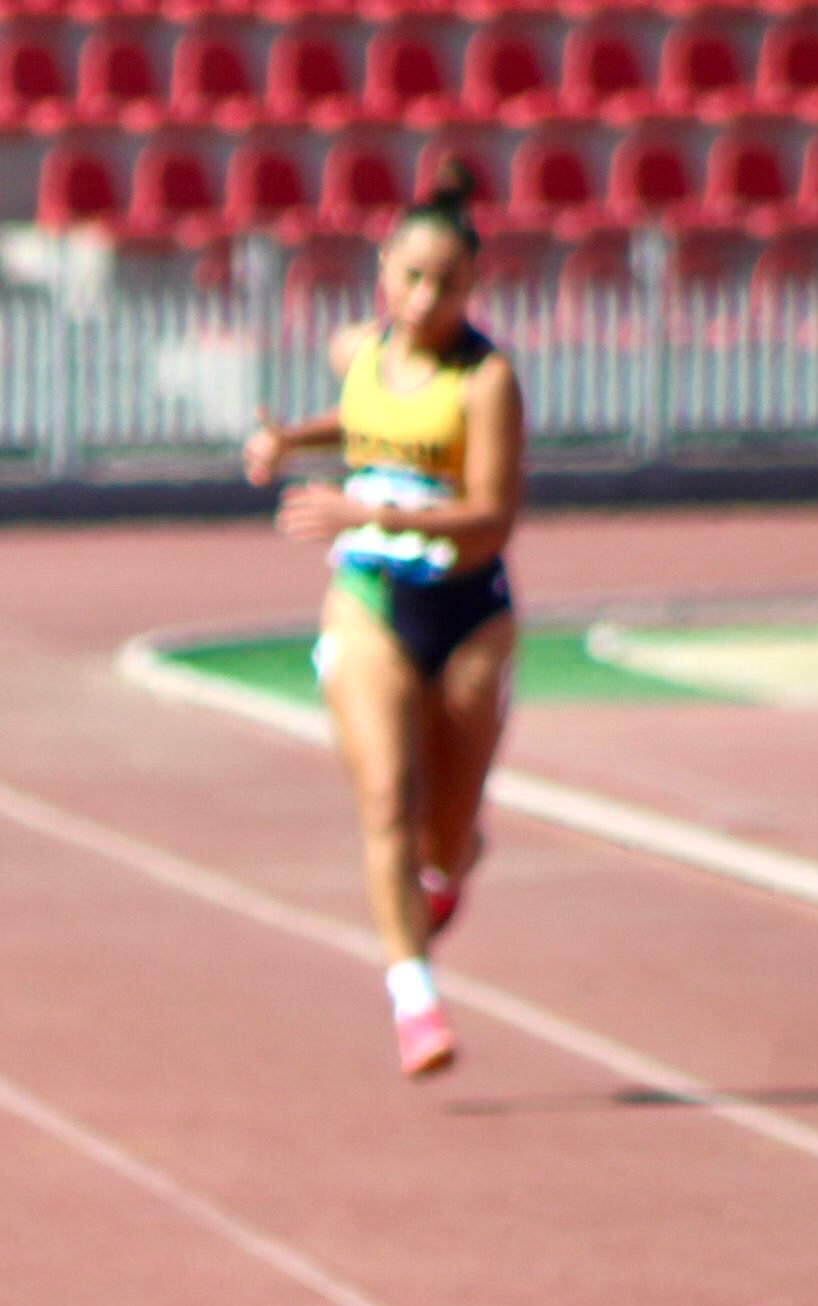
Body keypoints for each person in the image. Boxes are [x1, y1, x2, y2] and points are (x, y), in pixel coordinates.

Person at [243, 162, 524, 1078]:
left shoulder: (486, 383)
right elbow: (367, 421)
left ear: (473, 289)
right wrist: (292, 440)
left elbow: (491, 518)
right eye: (411, 277)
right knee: (385, 799)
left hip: (467, 612)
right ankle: (414, 997)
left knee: (445, 836)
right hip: (369, 599)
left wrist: (371, 511)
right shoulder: (355, 351)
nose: (426, 298)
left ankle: (452, 867)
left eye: (447, 284)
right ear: (383, 274)